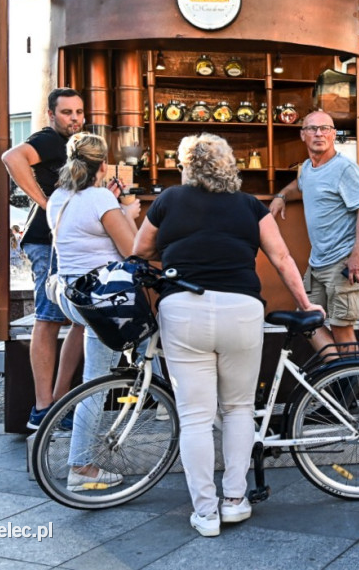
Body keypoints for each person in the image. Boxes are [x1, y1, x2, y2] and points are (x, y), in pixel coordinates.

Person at [133, 133, 325, 537]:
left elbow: (139, 251)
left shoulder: (168, 200)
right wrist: (305, 304)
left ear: (187, 166)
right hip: (241, 311)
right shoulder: (250, 205)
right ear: (229, 166)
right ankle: (235, 500)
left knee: (196, 418)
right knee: (238, 408)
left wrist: (175, 252)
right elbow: (282, 258)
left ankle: (205, 512)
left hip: (183, 309)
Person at [46, 132, 139, 491]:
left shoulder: (58, 197)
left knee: (96, 379)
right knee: (158, 345)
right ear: (103, 165)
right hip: (104, 300)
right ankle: (82, 466)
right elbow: (133, 250)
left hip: (76, 297)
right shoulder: (100, 198)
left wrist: (112, 207)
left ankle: (81, 466)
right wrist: (126, 213)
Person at [2, 87, 86, 430]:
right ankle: (42, 409)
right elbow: (11, 157)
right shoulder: (50, 139)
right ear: (52, 114)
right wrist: (46, 202)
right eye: (68, 112)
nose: (75, 119)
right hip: (48, 242)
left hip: (66, 242)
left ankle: (57, 403)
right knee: (49, 320)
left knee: (81, 320)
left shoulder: (73, 146)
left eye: (79, 112)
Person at [269, 110, 359, 354]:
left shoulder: (345, 169)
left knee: (341, 328)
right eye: (312, 129)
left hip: (345, 260)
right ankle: (333, 372)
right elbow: (301, 184)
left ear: (334, 134)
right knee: (306, 319)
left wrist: (357, 255)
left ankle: (349, 388)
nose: (319, 133)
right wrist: (282, 195)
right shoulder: (307, 167)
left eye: (325, 128)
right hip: (319, 263)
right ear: (302, 135)